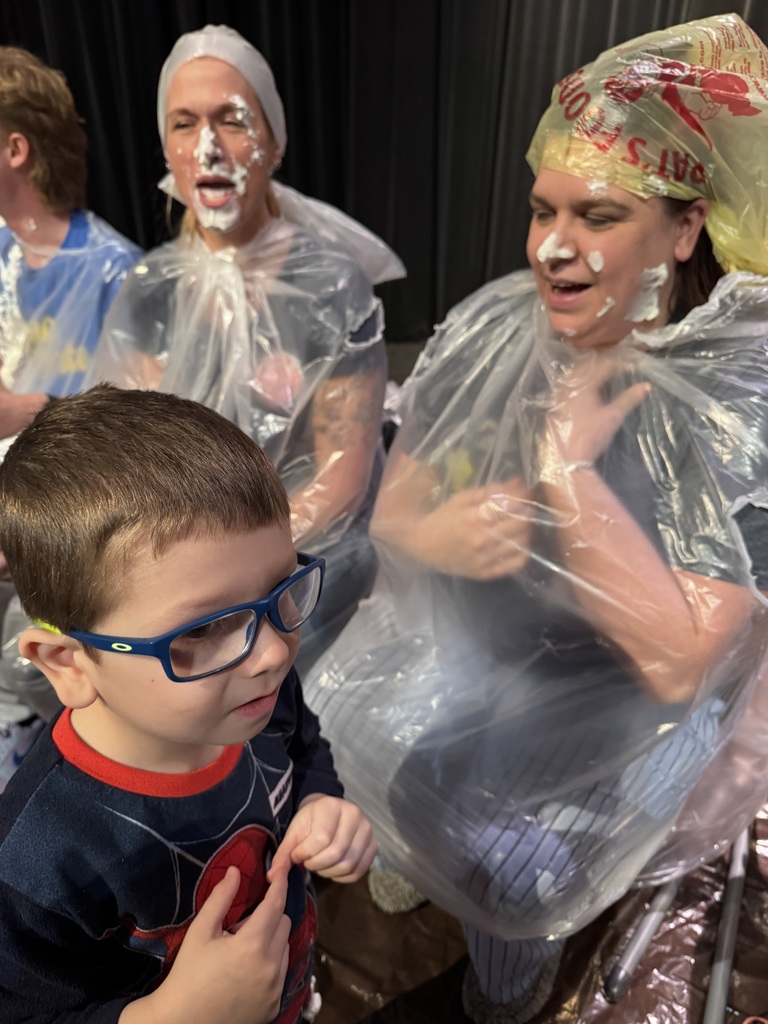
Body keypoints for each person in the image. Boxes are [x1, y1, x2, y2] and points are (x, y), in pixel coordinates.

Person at [303, 14, 768, 1024]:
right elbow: (397, 511)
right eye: (541, 209)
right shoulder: (496, 328)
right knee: (342, 728)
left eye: (597, 215)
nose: (553, 246)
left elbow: (681, 665)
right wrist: (438, 533)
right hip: (494, 646)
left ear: (685, 227)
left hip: (632, 708)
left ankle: (501, 989)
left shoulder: (739, 397)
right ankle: (421, 854)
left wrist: (568, 473)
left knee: (513, 877)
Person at [0, 384, 376, 1024]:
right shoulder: (37, 859)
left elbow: (304, 750)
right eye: (203, 630)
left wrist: (321, 804)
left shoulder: (255, 696)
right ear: (68, 664)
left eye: (282, 588)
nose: (271, 653)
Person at [90, 24, 404, 676]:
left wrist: (231, 571)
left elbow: (340, 482)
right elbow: (126, 456)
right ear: (167, 148)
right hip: (179, 547)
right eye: (184, 124)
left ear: (274, 142)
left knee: (227, 664)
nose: (207, 146)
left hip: (303, 551)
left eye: (232, 120)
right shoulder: (150, 289)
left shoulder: (329, 287)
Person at [0, 45, 142, 782]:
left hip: (67, 505)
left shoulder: (116, 272)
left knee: (26, 659)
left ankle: (47, 748)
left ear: (15, 149)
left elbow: (130, 430)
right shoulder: (1, 252)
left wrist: (25, 411)